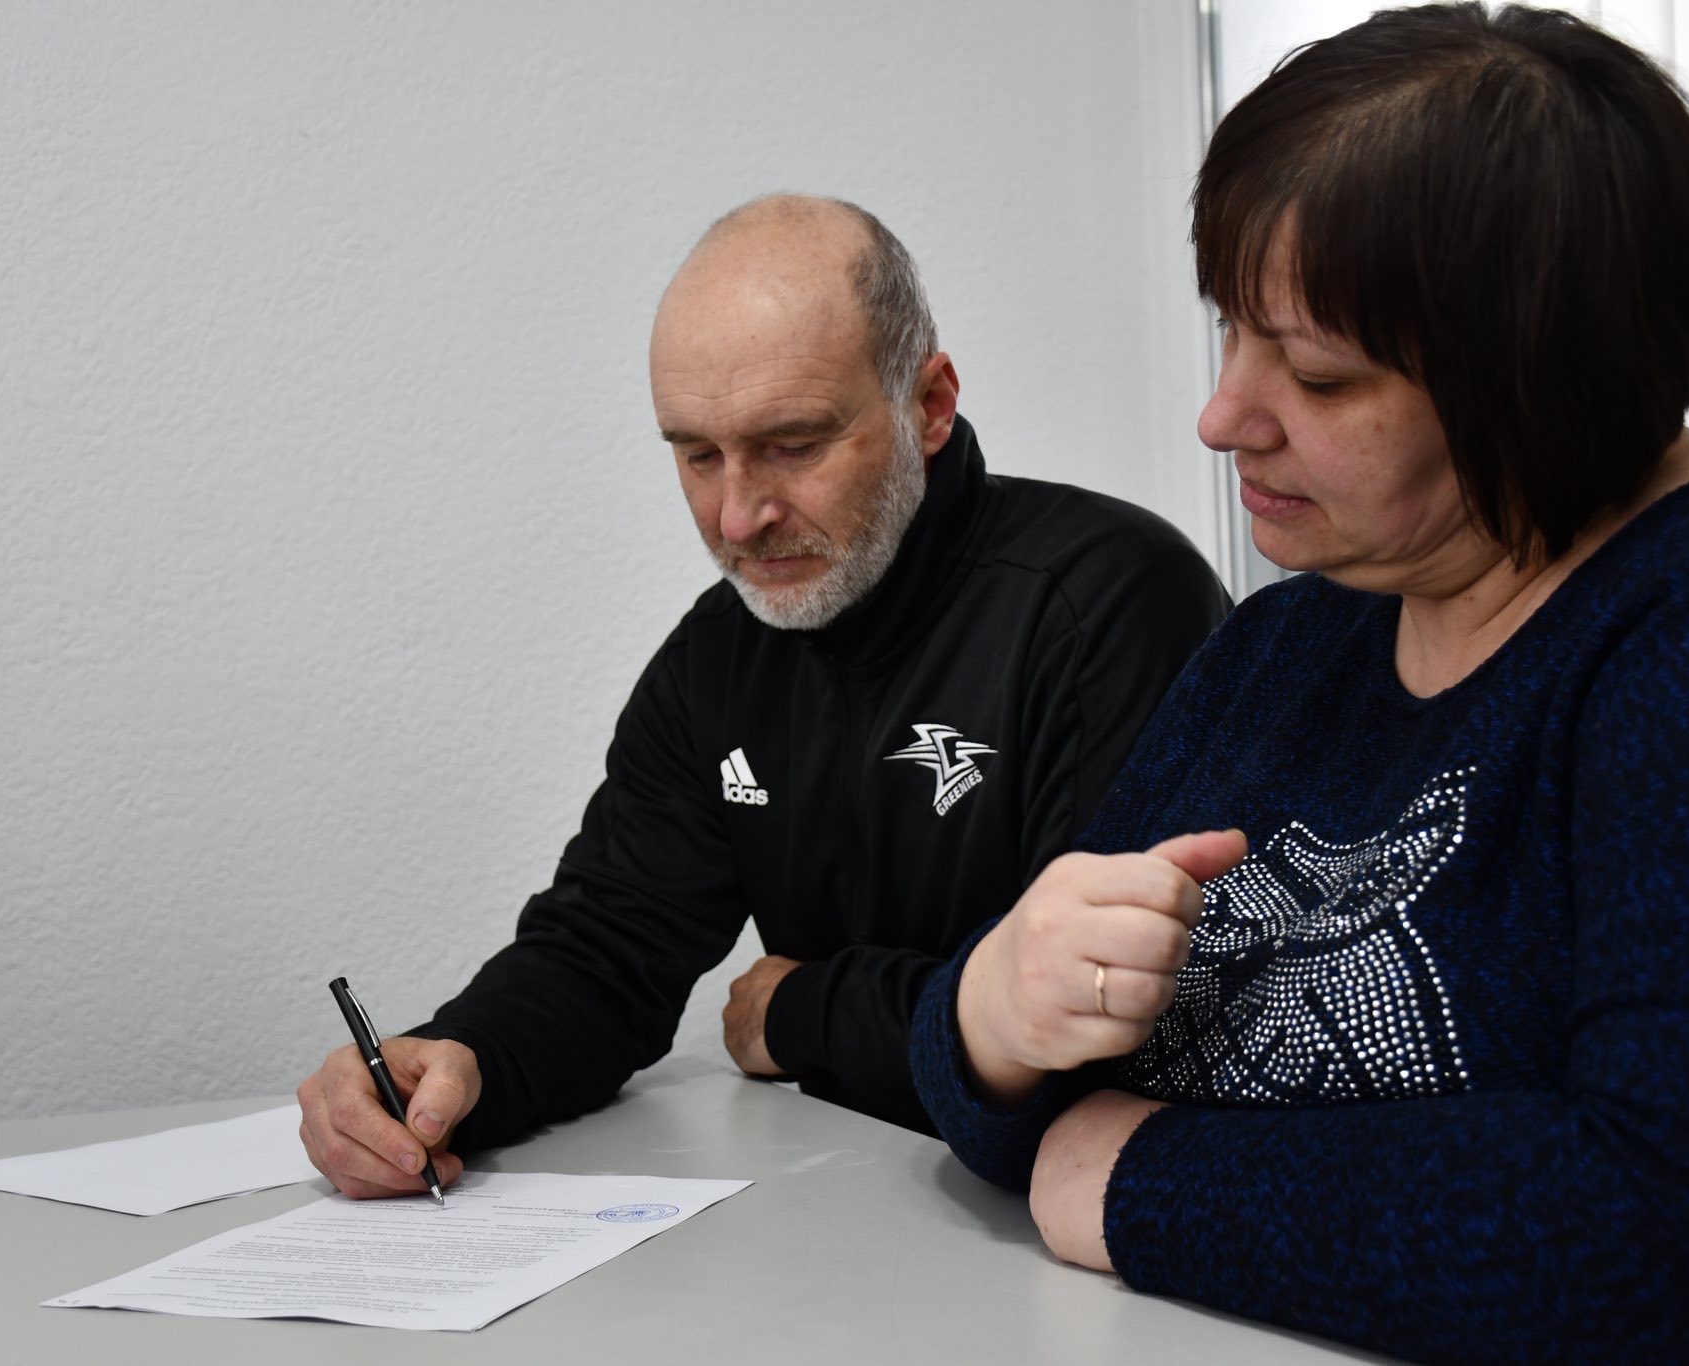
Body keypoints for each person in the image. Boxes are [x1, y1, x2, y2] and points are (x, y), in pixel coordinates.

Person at [911, 5, 1689, 1362]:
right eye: (1232, 333)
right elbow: (1021, 1088)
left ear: (1538, 386)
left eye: (1319, 374)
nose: (1223, 416)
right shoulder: (1287, 641)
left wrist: (1134, 1178)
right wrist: (990, 1017)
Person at [298, 194, 1229, 1196]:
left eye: (793, 444)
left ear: (928, 405)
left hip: (1064, 1229)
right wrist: (459, 1062)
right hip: (841, 1207)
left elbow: (1108, 1013)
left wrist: (799, 1012)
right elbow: (607, 948)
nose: (738, 517)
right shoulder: (718, 655)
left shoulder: (1110, 605)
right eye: (698, 455)